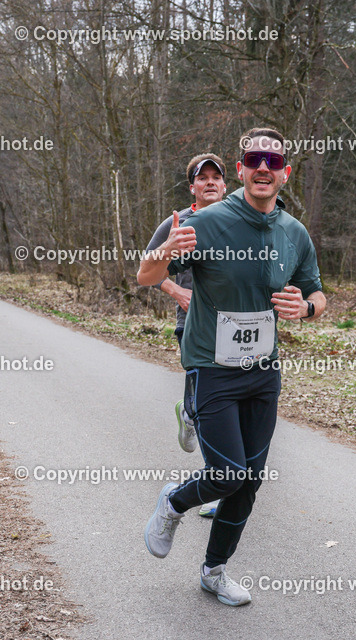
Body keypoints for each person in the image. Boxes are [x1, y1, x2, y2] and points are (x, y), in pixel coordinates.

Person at [138, 127, 326, 606]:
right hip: (211, 366)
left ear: (285, 173)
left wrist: (305, 309)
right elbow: (146, 275)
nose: (263, 166)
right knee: (226, 473)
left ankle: (214, 571)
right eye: (253, 158)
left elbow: (318, 293)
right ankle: (174, 501)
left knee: (250, 480)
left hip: (263, 372)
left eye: (273, 160)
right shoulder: (208, 221)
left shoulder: (293, 232)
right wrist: (166, 253)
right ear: (240, 169)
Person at [141, 153, 228, 519]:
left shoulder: (239, 220)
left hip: (235, 328)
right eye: (201, 177)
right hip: (192, 325)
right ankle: (214, 484)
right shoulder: (179, 222)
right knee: (209, 407)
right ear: (192, 186)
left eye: (215, 177)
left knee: (227, 406)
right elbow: (146, 267)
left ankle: (189, 412)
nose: (209, 182)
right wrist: (177, 292)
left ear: (226, 184)